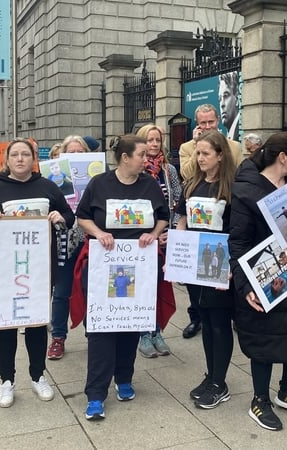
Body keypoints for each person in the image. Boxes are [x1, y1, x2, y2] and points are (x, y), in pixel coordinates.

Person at [69, 134, 173, 421]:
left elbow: (163, 216)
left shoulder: (149, 184)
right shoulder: (100, 184)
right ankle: (95, 394)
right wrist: (99, 233)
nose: (146, 160)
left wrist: (153, 234)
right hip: (103, 265)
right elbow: (82, 217)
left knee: (131, 324)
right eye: (141, 155)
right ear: (125, 158)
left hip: (140, 264)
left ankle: (124, 378)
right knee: (102, 330)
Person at [0, 137, 75, 408]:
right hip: (5, 269)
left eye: (25, 154)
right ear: (7, 160)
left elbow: (69, 215)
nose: (19, 159)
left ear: (33, 159)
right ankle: (6, 380)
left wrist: (60, 218)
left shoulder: (47, 186)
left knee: (36, 323)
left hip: (39, 268)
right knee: (6, 325)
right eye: (14, 154)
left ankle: (38, 376)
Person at [230, 131, 287, 431]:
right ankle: (260, 399)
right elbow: (238, 242)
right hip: (266, 276)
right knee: (265, 339)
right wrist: (245, 285)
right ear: (282, 157)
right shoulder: (246, 191)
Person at [175, 129, 238, 409]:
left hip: (219, 262)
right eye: (198, 153)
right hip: (194, 263)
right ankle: (211, 375)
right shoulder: (192, 185)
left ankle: (219, 383)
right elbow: (182, 219)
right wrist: (179, 241)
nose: (200, 158)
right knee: (205, 320)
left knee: (220, 323)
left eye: (205, 153)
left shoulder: (231, 188)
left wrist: (232, 265)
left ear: (220, 156)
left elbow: (238, 230)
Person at [135, 123, 182, 357]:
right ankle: (143, 333)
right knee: (141, 286)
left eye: (157, 140)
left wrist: (171, 230)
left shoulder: (168, 169)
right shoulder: (136, 169)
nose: (154, 144)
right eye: (149, 140)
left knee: (158, 286)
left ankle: (157, 331)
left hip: (163, 235)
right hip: (141, 238)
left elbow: (178, 200)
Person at [47, 134, 90, 360]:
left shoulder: (96, 177)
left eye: (80, 152)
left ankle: (93, 334)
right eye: (71, 152)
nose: (76, 156)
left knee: (90, 290)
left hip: (89, 240)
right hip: (64, 240)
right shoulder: (53, 180)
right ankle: (58, 337)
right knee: (62, 292)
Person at [178, 104, 243, 181]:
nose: (208, 126)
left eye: (211, 122)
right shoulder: (186, 148)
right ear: (197, 124)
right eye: (203, 123)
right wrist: (198, 145)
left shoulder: (234, 146)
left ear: (218, 120)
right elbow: (187, 175)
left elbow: (240, 175)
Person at [218, 71, 240, 141]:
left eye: (226, 96)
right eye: (220, 99)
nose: (222, 104)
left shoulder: (240, 132)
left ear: (237, 98)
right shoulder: (229, 135)